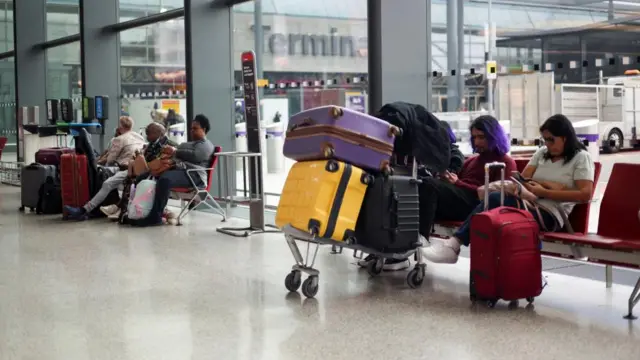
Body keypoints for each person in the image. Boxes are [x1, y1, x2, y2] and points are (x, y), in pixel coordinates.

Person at [423, 114, 595, 264]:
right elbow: (520, 178)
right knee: (495, 199)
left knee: (497, 198)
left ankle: (454, 245)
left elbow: (585, 194)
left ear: (565, 137)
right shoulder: (542, 153)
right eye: (545, 139)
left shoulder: (581, 158)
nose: (548, 144)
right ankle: (441, 243)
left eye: (552, 140)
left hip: (550, 212)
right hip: (528, 201)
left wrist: (546, 191)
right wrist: (547, 186)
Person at [359, 115, 516, 271]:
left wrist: (457, 183)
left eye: (482, 137)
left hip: (476, 204)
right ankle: (395, 244)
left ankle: (416, 241)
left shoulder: (505, 162)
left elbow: (502, 193)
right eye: (474, 137)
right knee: (413, 188)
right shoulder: (472, 161)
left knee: (429, 185)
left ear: (493, 136)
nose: (477, 142)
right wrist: (447, 179)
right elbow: (456, 186)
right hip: (460, 199)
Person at [63, 122, 168, 221]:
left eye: (148, 134)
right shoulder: (148, 143)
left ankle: (87, 210)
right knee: (107, 183)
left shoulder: (163, 147)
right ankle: (87, 209)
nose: (147, 136)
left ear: (156, 133)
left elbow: (110, 160)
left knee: (105, 176)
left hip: (142, 172)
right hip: (132, 168)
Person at [132, 114, 215, 226]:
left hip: (194, 175)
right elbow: (180, 152)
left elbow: (195, 156)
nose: (192, 131)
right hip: (182, 171)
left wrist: (175, 152)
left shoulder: (206, 145)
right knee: (145, 176)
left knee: (165, 179)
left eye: (195, 129)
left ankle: (155, 216)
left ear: (204, 129)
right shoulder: (190, 144)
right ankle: (136, 210)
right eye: (191, 128)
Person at [98, 122, 177, 220]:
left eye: (149, 133)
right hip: (147, 170)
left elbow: (162, 162)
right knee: (130, 178)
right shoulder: (151, 144)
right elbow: (145, 159)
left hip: (158, 173)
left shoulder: (168, 146)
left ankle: (121, 208)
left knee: (134, 180)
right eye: (146, 133)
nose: (147, 136)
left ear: (159, 133)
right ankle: (121, 208)